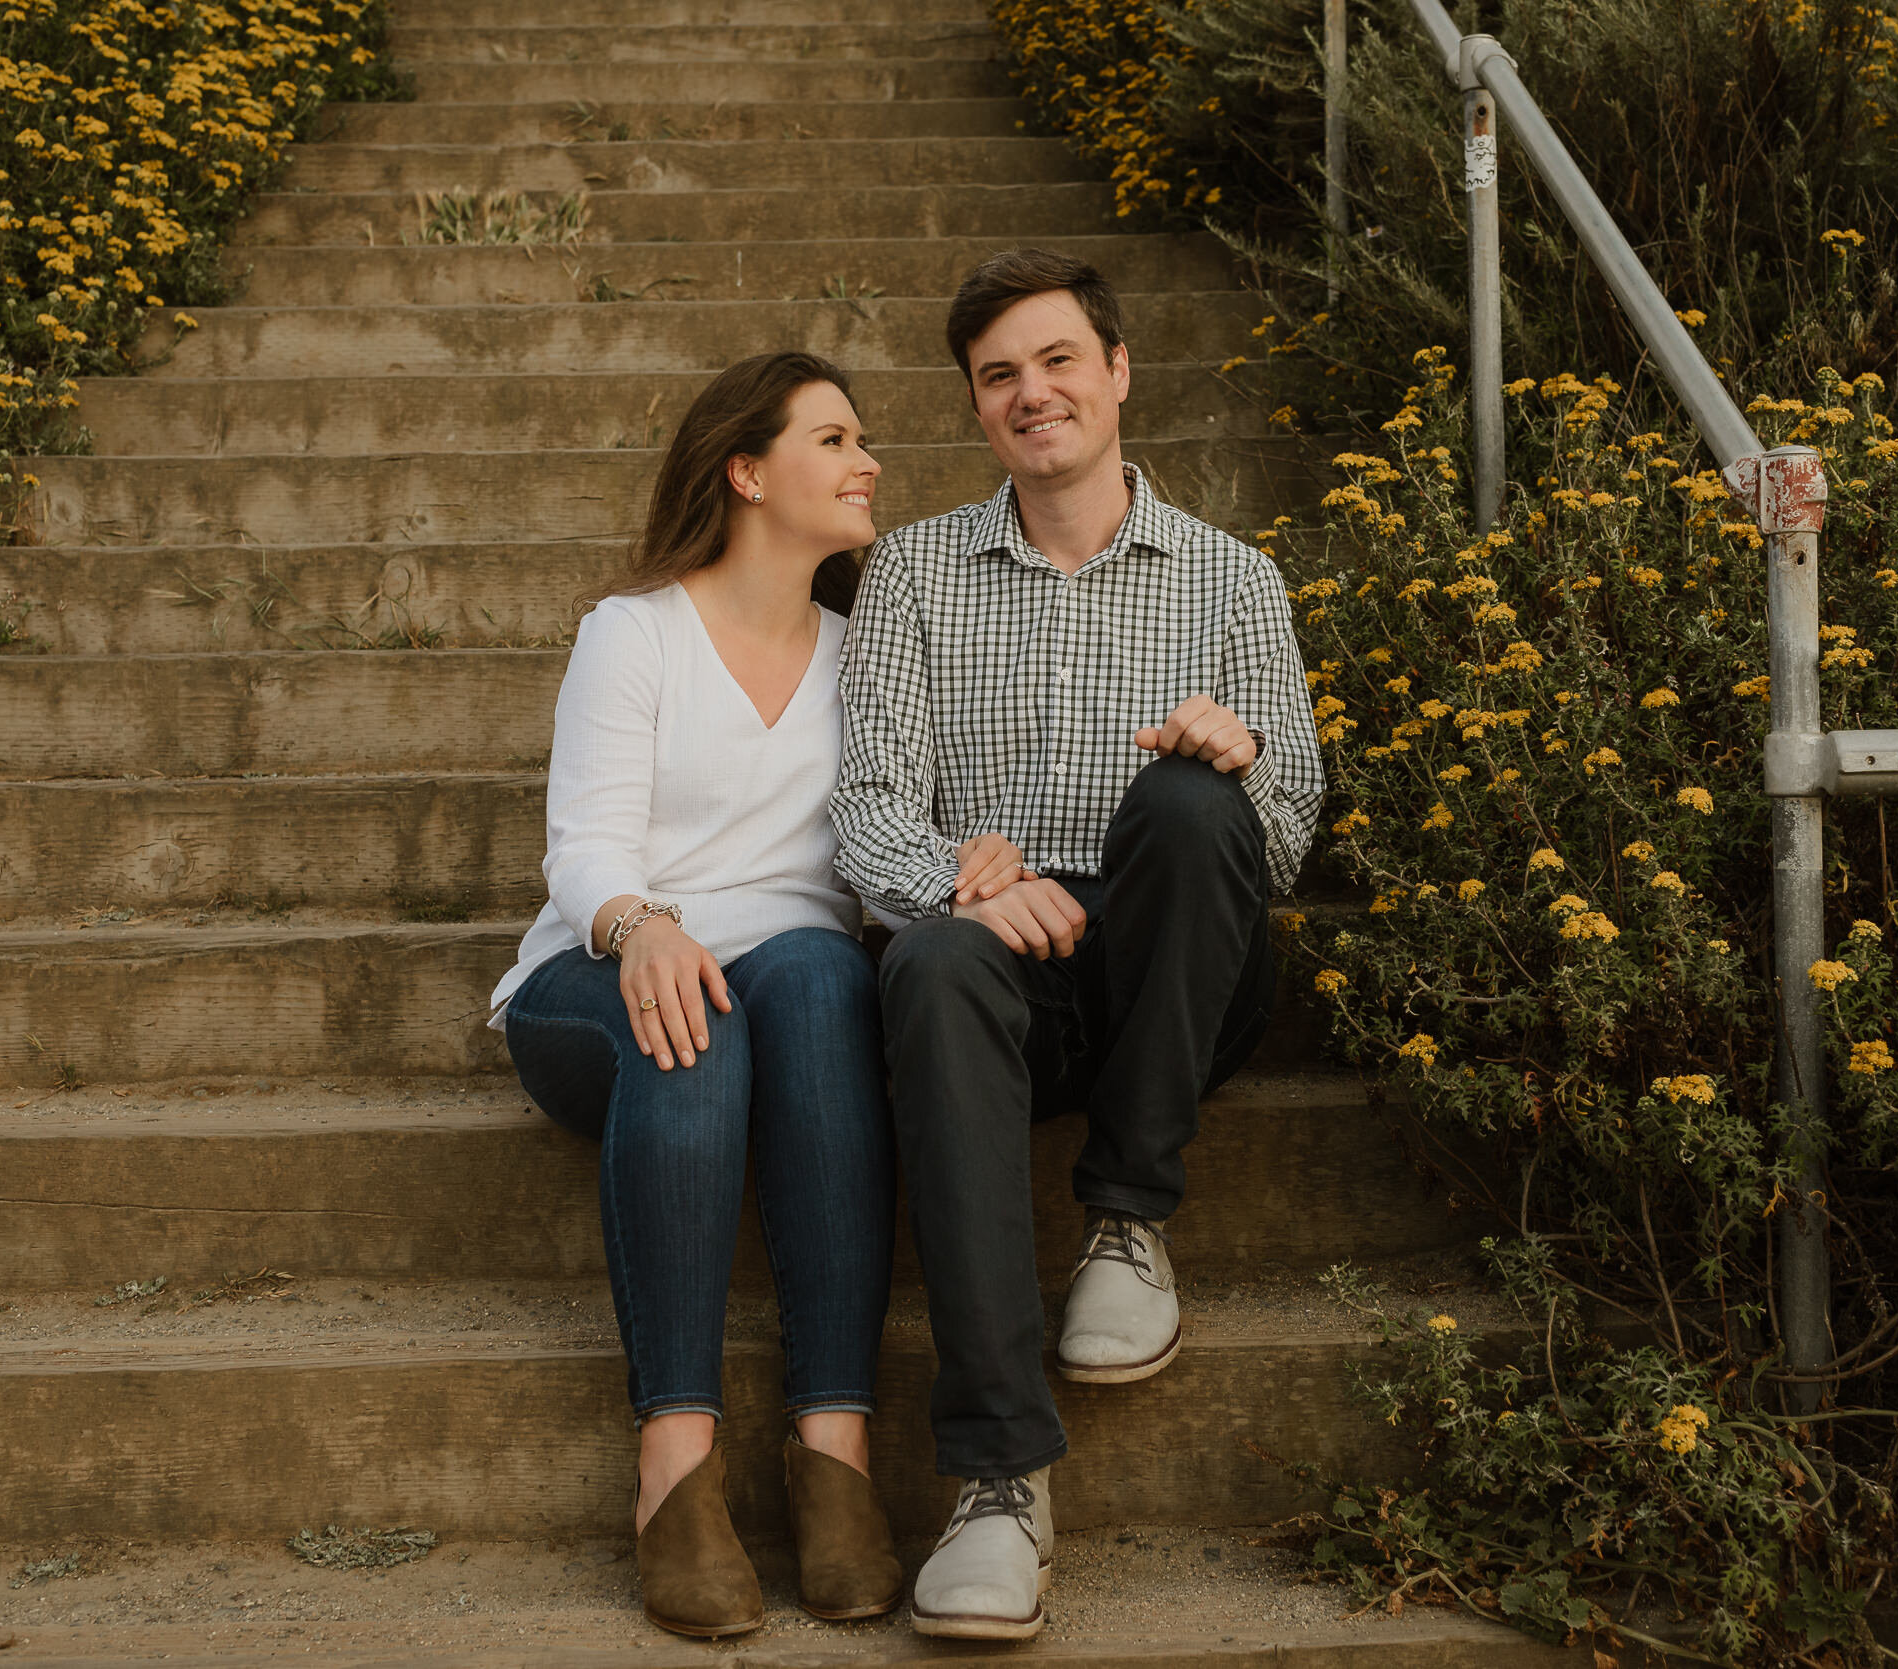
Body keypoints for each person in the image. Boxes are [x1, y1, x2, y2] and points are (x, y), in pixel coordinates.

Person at [830, 250, 1325, 1640]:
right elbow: (866, 811)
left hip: (1176, 969)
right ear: (978, 410)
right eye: (999, 376)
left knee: (1186, 793)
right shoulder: (913, 575)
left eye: (1057, 361)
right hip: (998, 990)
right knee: (923, 955)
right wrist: (958, 881)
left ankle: (1128, 1212)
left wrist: (1236, 764)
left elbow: (1286, 841)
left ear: (1117, 372)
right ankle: (998, 1474)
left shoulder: (1235, 580)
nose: (1031, 392)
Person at [489, 351, 908, 1639]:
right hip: (600, 976)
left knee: (825, 973)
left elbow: (893, 837)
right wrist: (642, 928)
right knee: (700, 1020)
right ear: (746, 470)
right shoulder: (637, 632)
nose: (867, 461)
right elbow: (587, 847)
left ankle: (831, 1450)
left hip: (794, 987)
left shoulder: (872, 649)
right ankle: (674, 1460)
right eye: (832, 440)